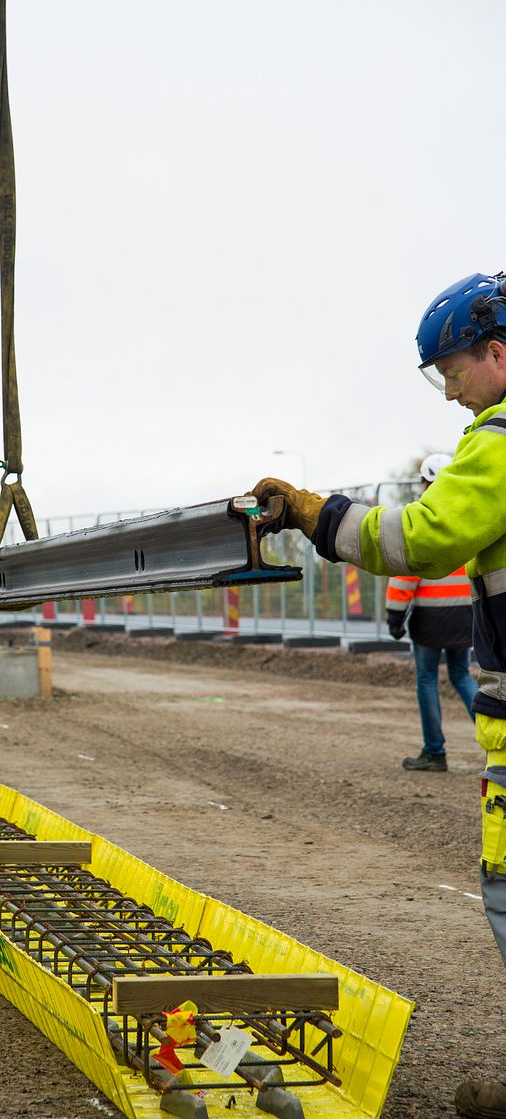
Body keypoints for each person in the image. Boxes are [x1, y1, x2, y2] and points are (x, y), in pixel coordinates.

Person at [251, 272, 506, 1119]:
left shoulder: (499, 438)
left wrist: (320, 515)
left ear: (496, 351)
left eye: (453, 370)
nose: (449, 390)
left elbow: (423, 537)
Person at [386, 452, 477, 772]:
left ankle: (434, 752)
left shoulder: (421, 518)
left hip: (430, 619)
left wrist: (394, 616)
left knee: (426, 680)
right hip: (464, 616)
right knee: (461, 675)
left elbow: (406, 570)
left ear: (426, 482)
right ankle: (500, 743)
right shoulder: (467, 515)